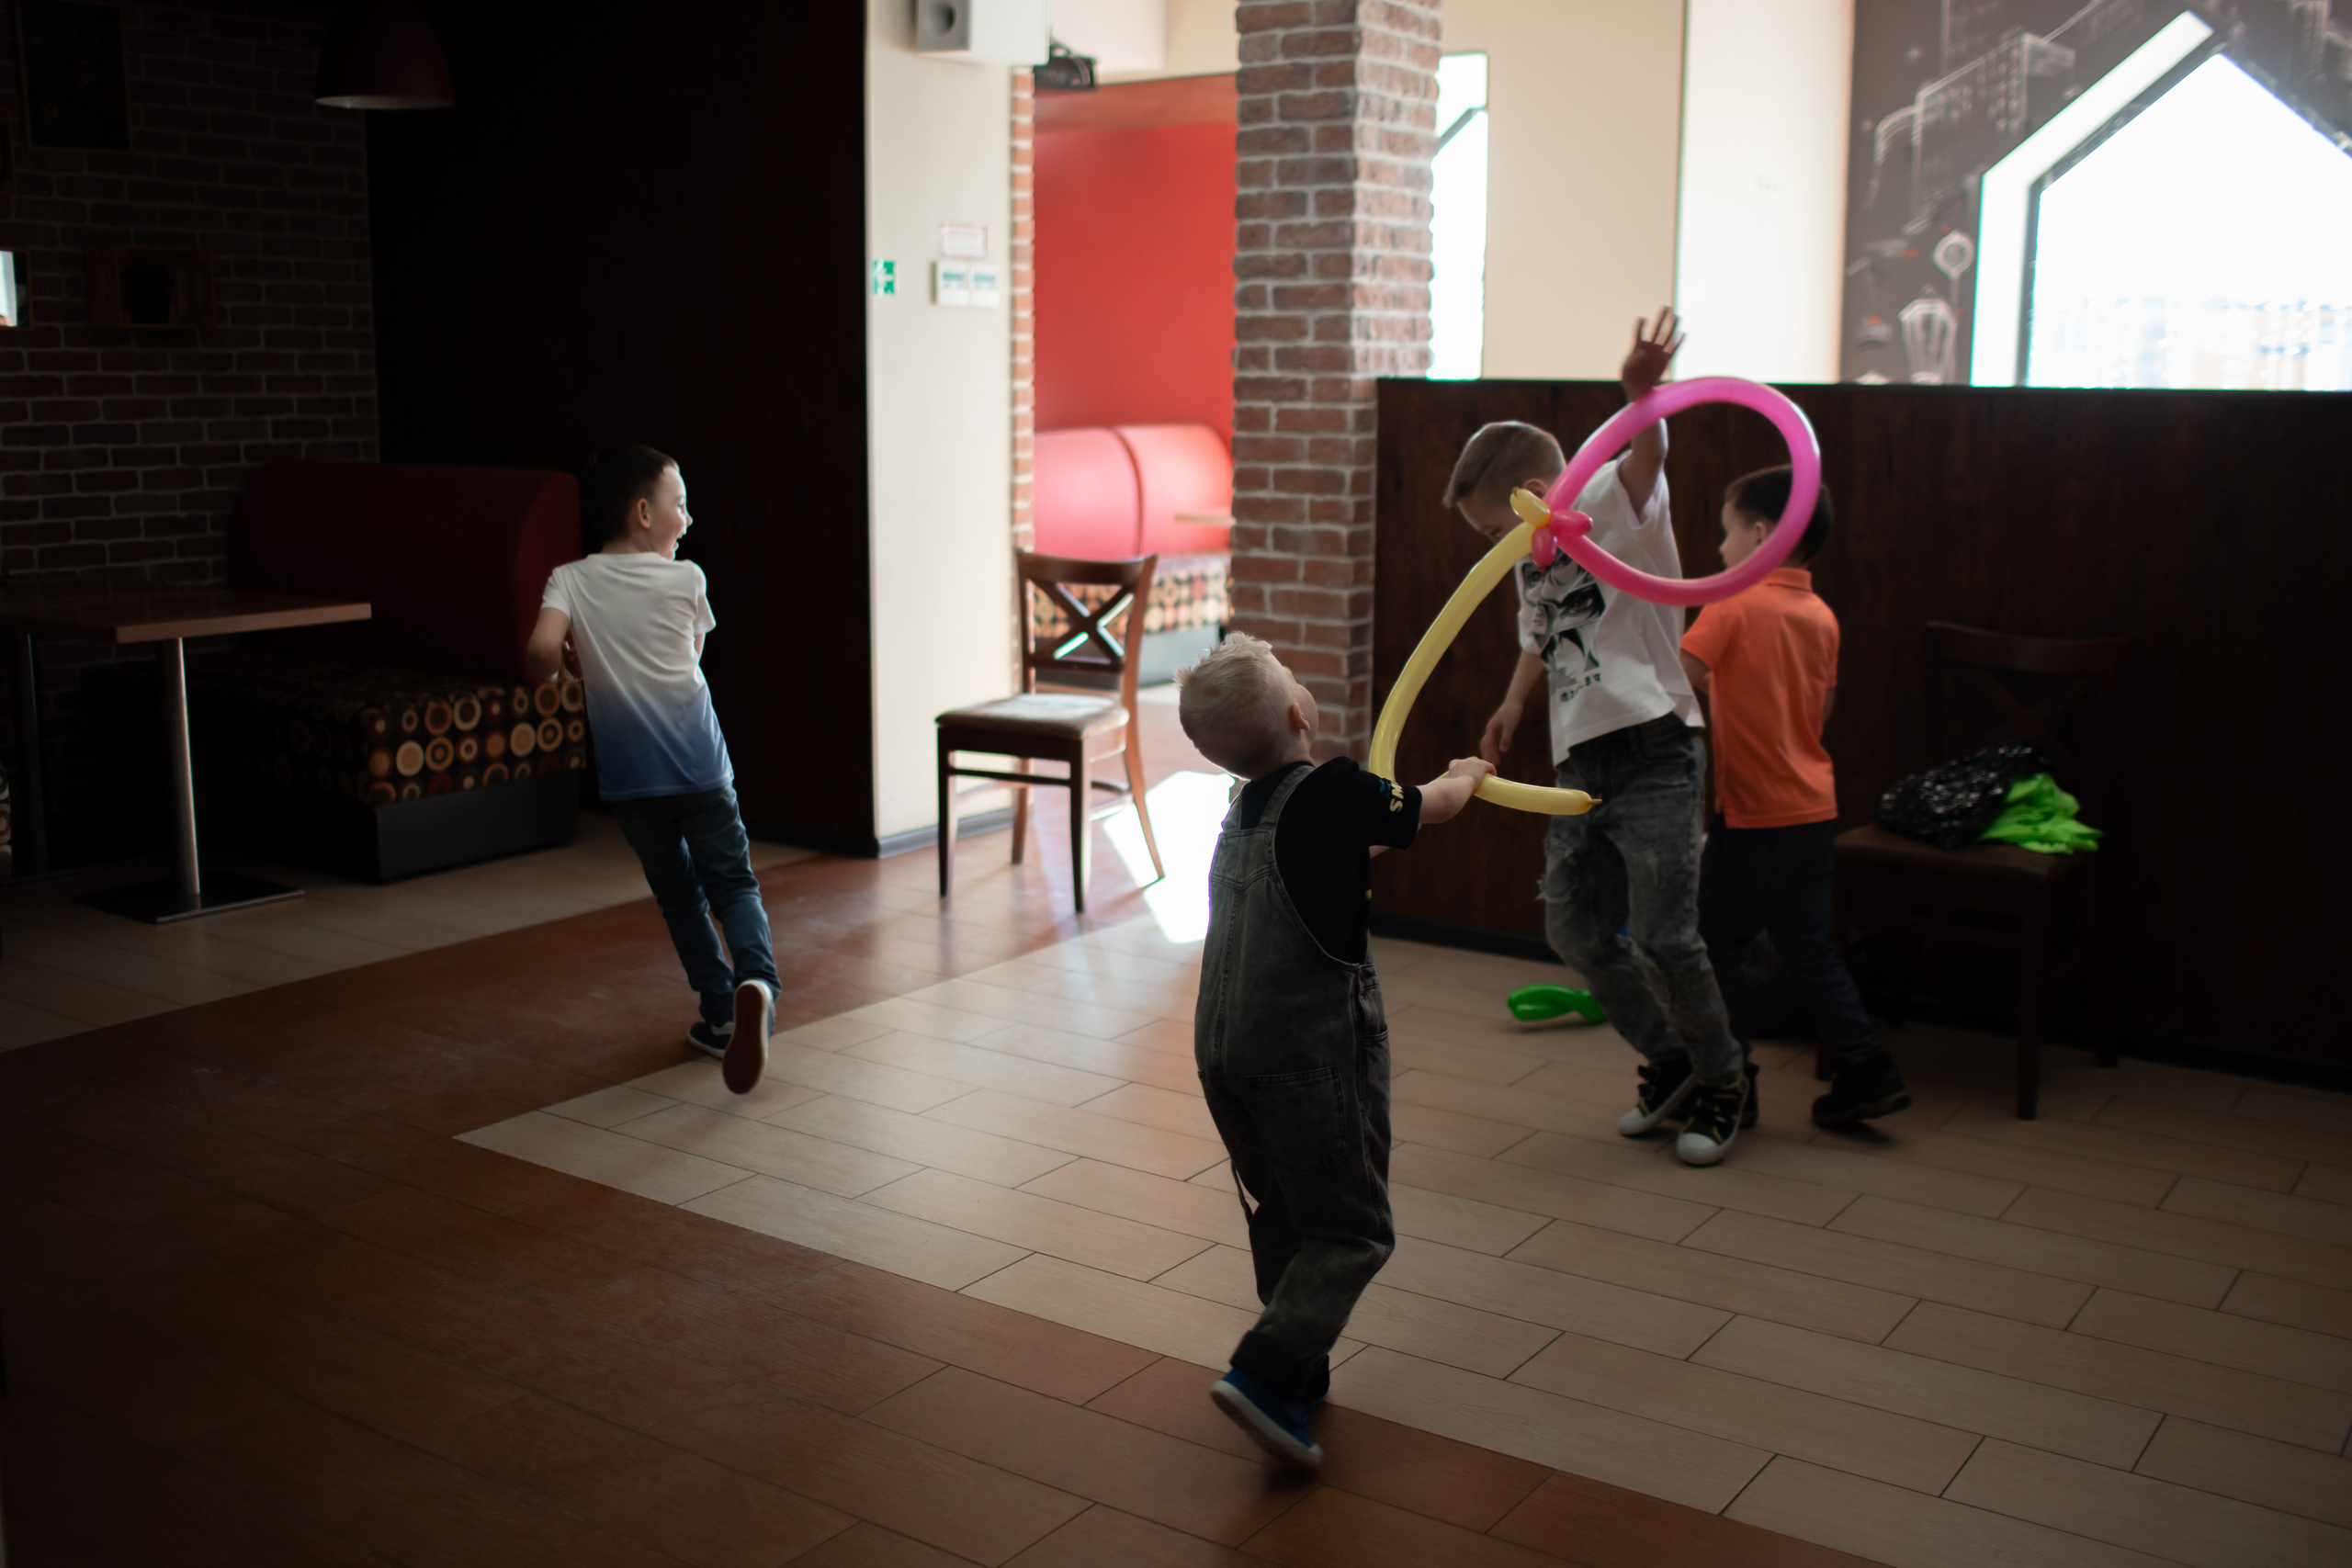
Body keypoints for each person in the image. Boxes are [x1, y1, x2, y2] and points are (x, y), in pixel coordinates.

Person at [1175, 633, 1493, 1470]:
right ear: (1298, 712)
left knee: (1284, 1207)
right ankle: (1267, 1371)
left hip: (1224, 1056)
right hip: (1306, 1058)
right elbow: (1433, 805)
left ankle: (1298, 1369)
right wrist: (1466, 775)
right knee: (1353, 1228)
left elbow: (1349, 849)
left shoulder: (1241, 810)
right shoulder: (1339, 787)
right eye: (1293, 676)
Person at [1445, 309, 1752, 1166]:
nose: (1496, 546)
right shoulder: (1531, 555)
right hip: (1578, 762)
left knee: (1664, 935)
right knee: (1575, 930)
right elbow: (1539, 632)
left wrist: (1642, 397)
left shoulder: (1615, 499)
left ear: (1535, 490)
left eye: (1494, 528)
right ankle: (1673, 1059)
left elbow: (1647, 456)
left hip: (1655, 745)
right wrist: (1512, 704)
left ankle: (1725, 1078)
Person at [525, 445, 777, 1096]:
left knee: (678, 895)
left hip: (631, 779)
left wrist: (564, 668)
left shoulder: (568, 579)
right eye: (680, 504)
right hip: (700, 765)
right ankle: (756, 983)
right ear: (644, 513)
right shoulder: (687, 578)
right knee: (733, 884)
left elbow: (542, 650)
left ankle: (720, 1013)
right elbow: (689, 657)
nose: (687, 519)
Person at [1679, 468, 1911, 1126]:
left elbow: (1677, 677)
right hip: (1815, 810)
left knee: (1714, 941)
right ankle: (1868, 1070)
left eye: (1726, 532)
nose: (1720, 548)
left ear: (1759, 535)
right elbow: (1819, 711)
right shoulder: (1821, 616)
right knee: (1808, 948)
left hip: (1755, 815)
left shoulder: (1732, 604)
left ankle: (1733, 1081)